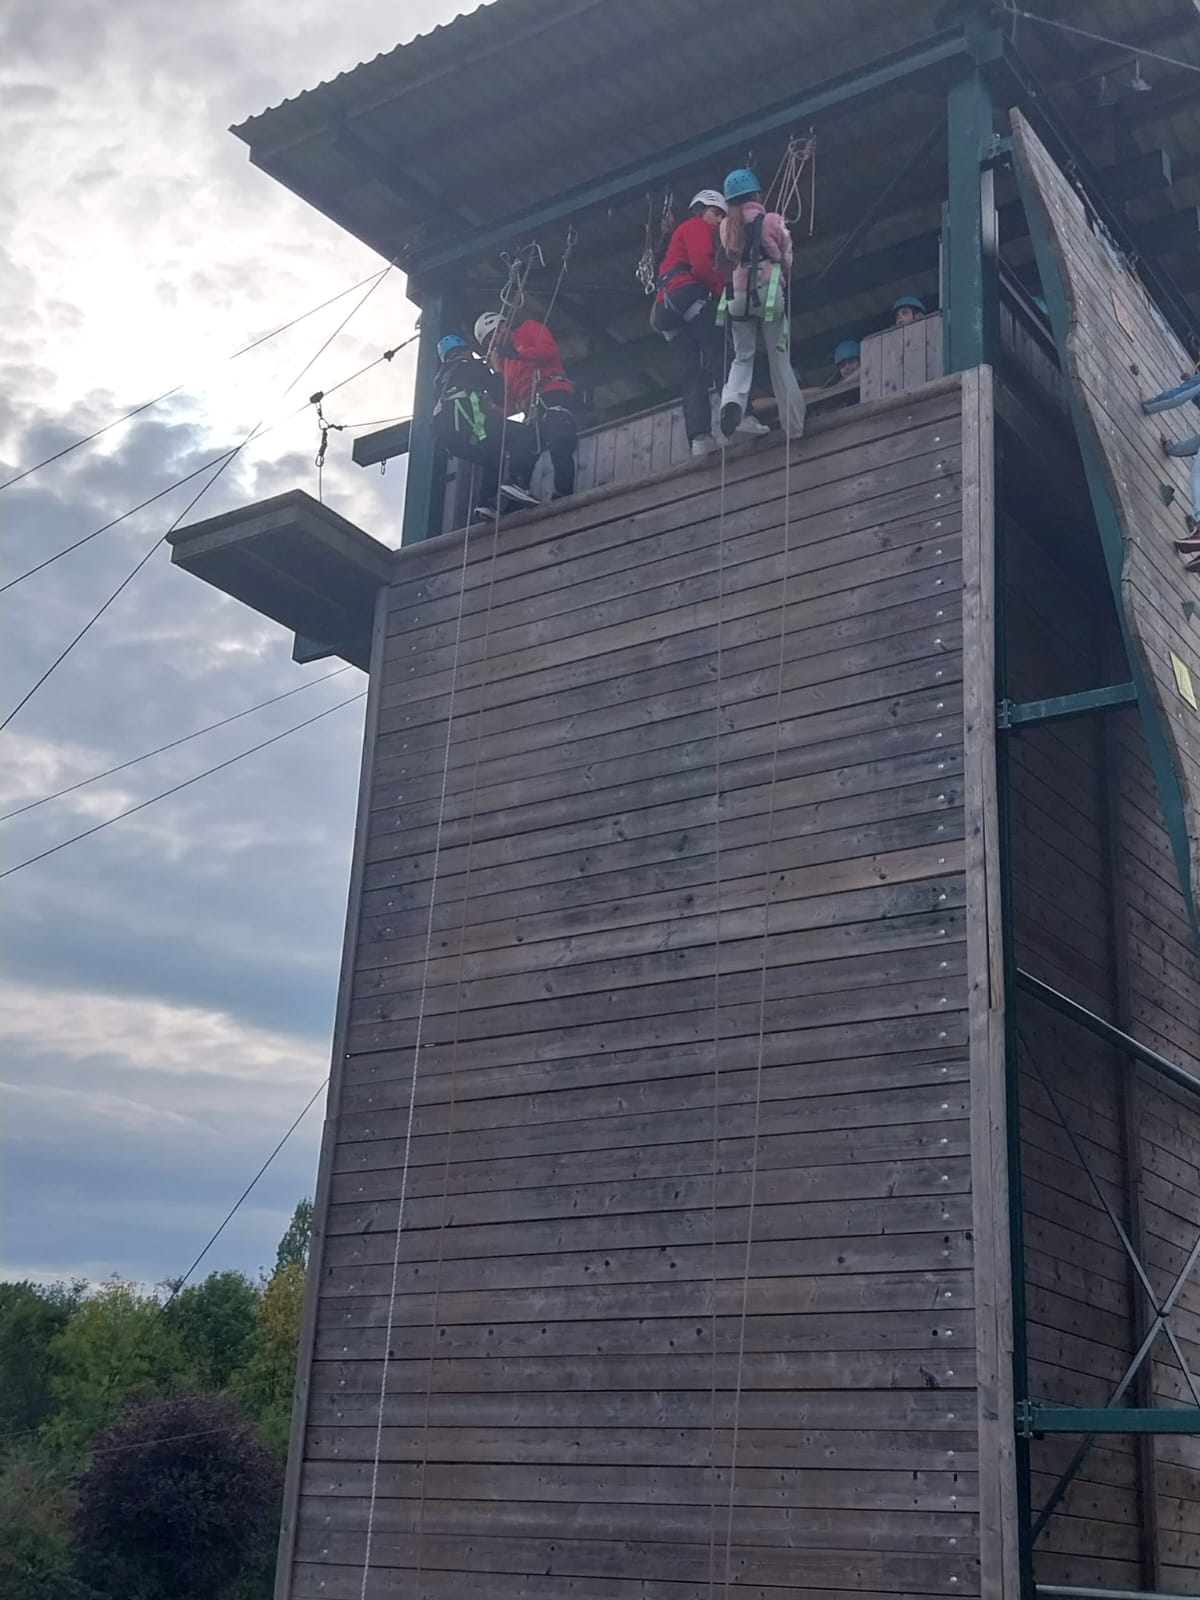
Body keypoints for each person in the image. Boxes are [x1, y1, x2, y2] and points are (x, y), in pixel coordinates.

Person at [651, 189, 765, 458]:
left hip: (667, 309)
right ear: (701, 211)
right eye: (717, 213)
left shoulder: (676, 243)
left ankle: (700, 437)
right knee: (722, 354)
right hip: (688, 295)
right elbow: (702, 264)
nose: (720, 220)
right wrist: (725, 293)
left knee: (691, 372)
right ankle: (739, 418)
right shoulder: (696, 226)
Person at [714, 168, 807, 442]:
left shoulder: (725, 226)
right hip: (768, 292)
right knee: (779, 358)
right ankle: (794, 426)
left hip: (737, 297)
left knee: (742, 357)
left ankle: (732, 402)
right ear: (756, 194)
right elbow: (787, 256)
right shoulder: (772, 220)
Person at [430, 335, 539, 522]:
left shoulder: (441, 379)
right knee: (525, 435)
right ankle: (516, 482)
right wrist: (495, 368)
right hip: (475, 424)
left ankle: (485, 503)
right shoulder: (471, 366)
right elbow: (500, 396)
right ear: (465, 350)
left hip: (453, 440)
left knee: (493, 455)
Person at [475, 311, 578, 500]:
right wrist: (488, 415)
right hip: (532, 408)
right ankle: (518, 488)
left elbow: (548, 350)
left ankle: (563, 492)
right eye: (489, 340)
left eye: (494, 334)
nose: (494, 340)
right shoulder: (505, 363)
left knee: (559, 440)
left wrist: (518, 354)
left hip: (553, 392)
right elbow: (509, 401)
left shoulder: (528, 329)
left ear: (504, 325)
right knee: (525, 445)